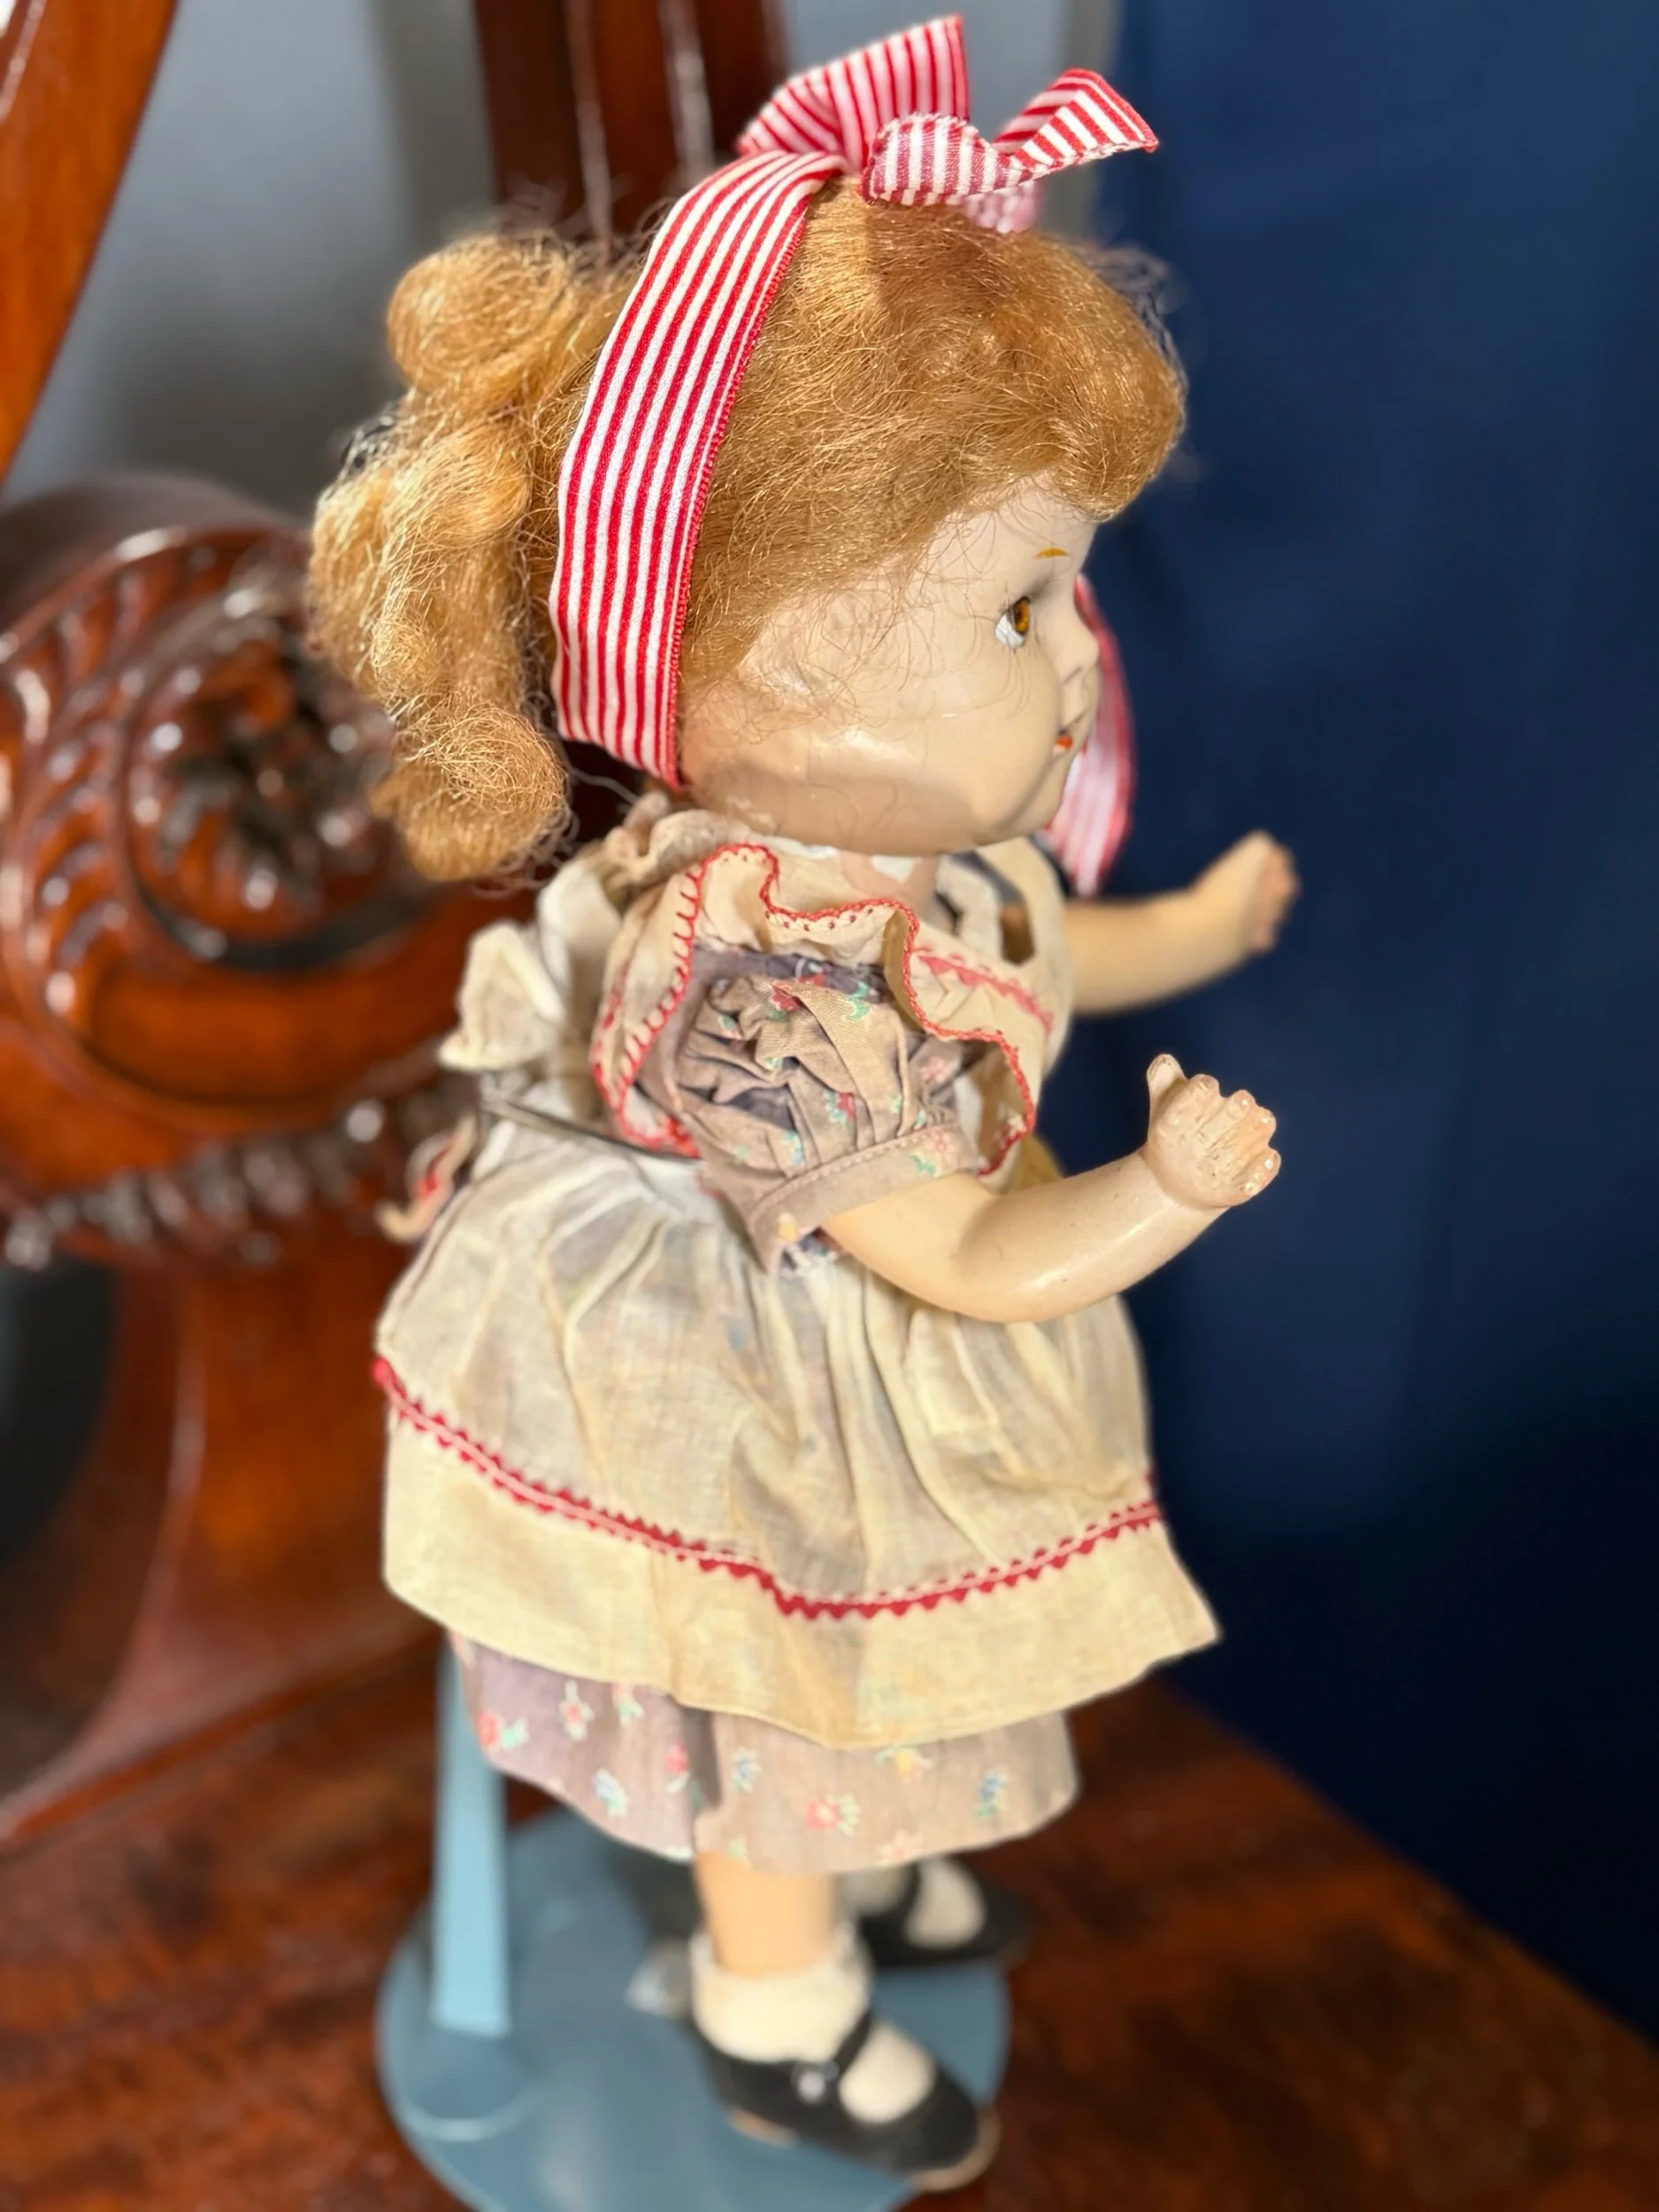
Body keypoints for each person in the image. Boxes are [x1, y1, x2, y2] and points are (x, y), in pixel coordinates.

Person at [311, 20, 1294, 2187]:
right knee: (775, 1698)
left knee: (887, 1684)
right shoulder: (764, 985)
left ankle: (874, 1869)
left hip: (870, 1336)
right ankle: (776, 2002)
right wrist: (1160, 1189)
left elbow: (1041, 947)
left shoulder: (917, 859)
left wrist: (1201, 924)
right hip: (762, 1378)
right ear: (754, 667)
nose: (1080, 662)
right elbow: (963, 1247)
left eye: (1068, 585)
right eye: (1021, 603)